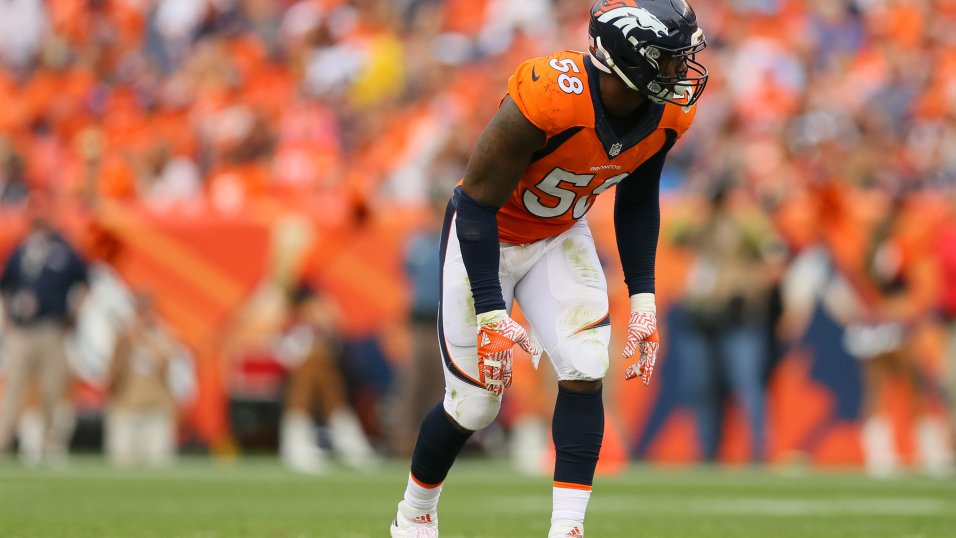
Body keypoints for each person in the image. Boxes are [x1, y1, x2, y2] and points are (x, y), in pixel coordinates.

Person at [389, 1, 708, 536]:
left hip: (559, 233)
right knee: (473, 406)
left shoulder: (669, 113)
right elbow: (475, 203)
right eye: (670, 59)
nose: (683, 72)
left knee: (586, 366)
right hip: (487, 237)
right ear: (630, 58)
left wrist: (644, 299)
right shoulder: (550, 93)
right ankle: (414, 512)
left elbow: (637, 198)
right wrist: (492, 312)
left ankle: (568, 529)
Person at [0, 193, 89, 466]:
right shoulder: (21, 250)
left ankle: (52, 446)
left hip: (51, 327)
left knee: (53, 390)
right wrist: (6, 325)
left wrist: (73, 315)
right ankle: (3, 443)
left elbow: (85, 281)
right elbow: (5, 289)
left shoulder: (64, 251)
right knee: (12, 389)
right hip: (22, 330)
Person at [105, 291, 180, 467]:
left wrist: (146, 338)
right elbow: (113, 373)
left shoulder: (163, 334)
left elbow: (166, 363)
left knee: (158, 465)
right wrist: (126, 342)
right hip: (126, 408)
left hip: (155, 409)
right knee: (122, 465)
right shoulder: (122, 338)